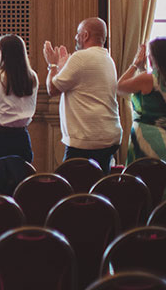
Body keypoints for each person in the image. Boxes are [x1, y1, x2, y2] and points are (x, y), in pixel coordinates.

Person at [44, 17, 122, 173]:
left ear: (85, 35)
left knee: (71, 185)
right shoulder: (108, 59)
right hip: (108, 136)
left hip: (86, 140)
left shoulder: (81, 57)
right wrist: (63, 68)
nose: (75, 37)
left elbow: (52, 89)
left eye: (78, 33)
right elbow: (80, 83)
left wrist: (52, 65)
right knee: (99, 183)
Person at [117, 37, 166, 178]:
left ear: (154, 57)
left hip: (149, 139)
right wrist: (142, 70)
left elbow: (119, 87)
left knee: (147, 182)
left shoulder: (149, 79)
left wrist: (135, 64)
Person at [0, 34, 38, 163]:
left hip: (1, 138)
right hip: (22, 137)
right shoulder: (32, 77)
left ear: (2, 53)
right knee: (22, 173)